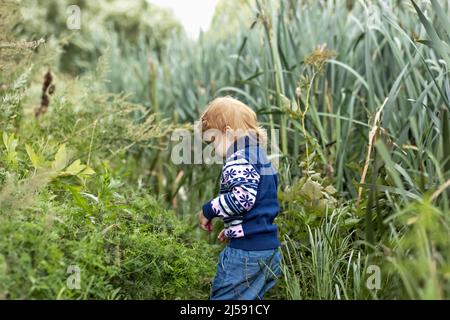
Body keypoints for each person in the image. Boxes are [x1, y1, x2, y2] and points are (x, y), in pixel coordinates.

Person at [197, 96, 282, 300]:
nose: (214, 149)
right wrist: (235, 230)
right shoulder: (260, 158)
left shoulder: (239, 159)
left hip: (246, 255)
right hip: (268, 250)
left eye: (213, 140)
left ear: (227, 132)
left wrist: (208, 210)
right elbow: (259, 205)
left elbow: (242, 199)